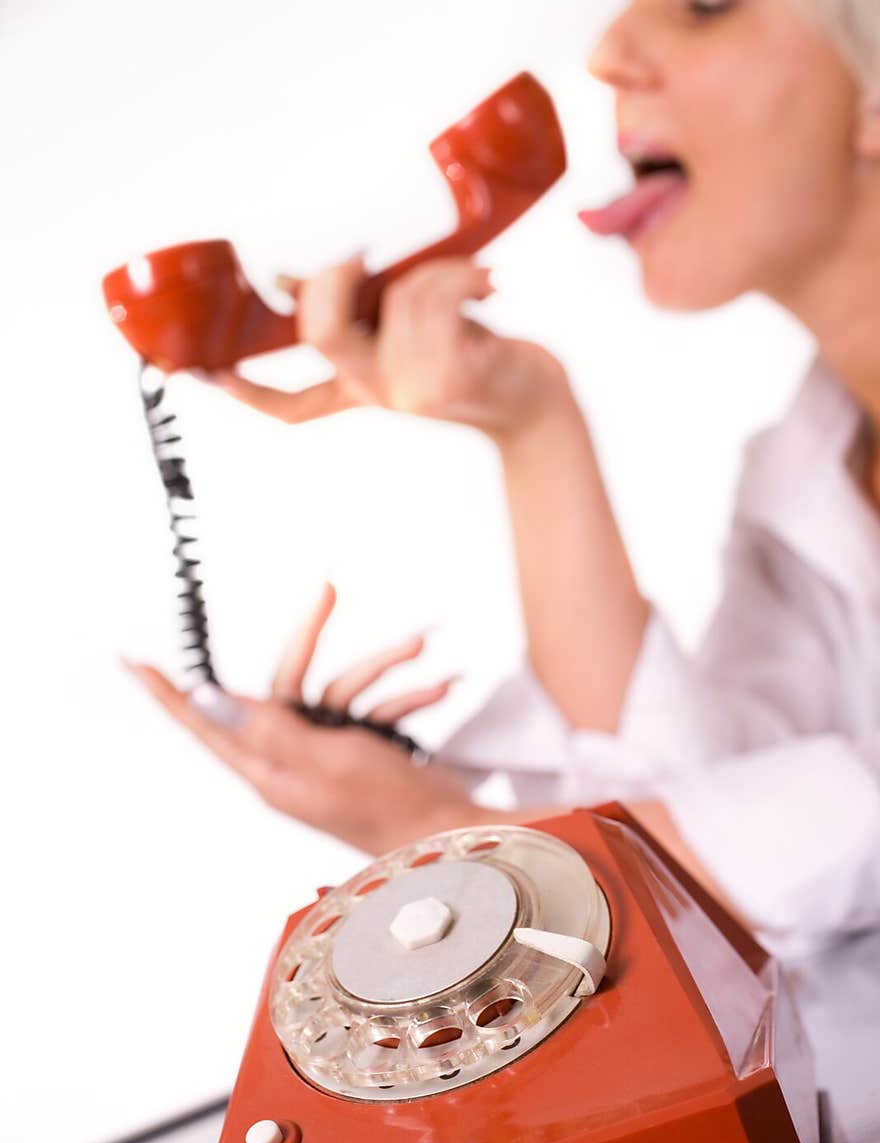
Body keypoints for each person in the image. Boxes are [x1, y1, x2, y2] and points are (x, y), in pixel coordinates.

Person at [129, 0, 880, 970]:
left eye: (704, 5)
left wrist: (448, 832)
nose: (607, 54)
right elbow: (722, 824)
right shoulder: (805, 474)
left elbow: (837, 842)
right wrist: (530, 424)